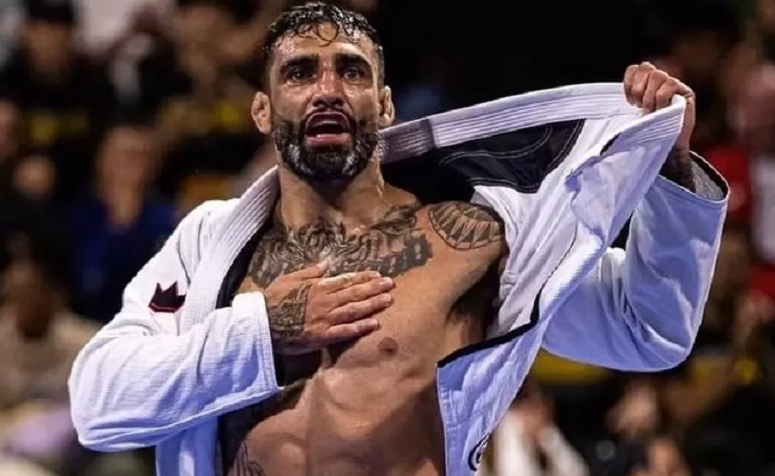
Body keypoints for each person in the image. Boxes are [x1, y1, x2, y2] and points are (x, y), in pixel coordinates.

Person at [68, 3, 728, 476]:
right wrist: (263, 332)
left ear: (384, 105)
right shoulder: (209, 242)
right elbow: (99, 404)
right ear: (262, 111)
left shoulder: (472, 237)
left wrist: (667, 173)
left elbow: (645, 330)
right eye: (300, 73)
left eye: (351, 71)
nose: (327, 90)